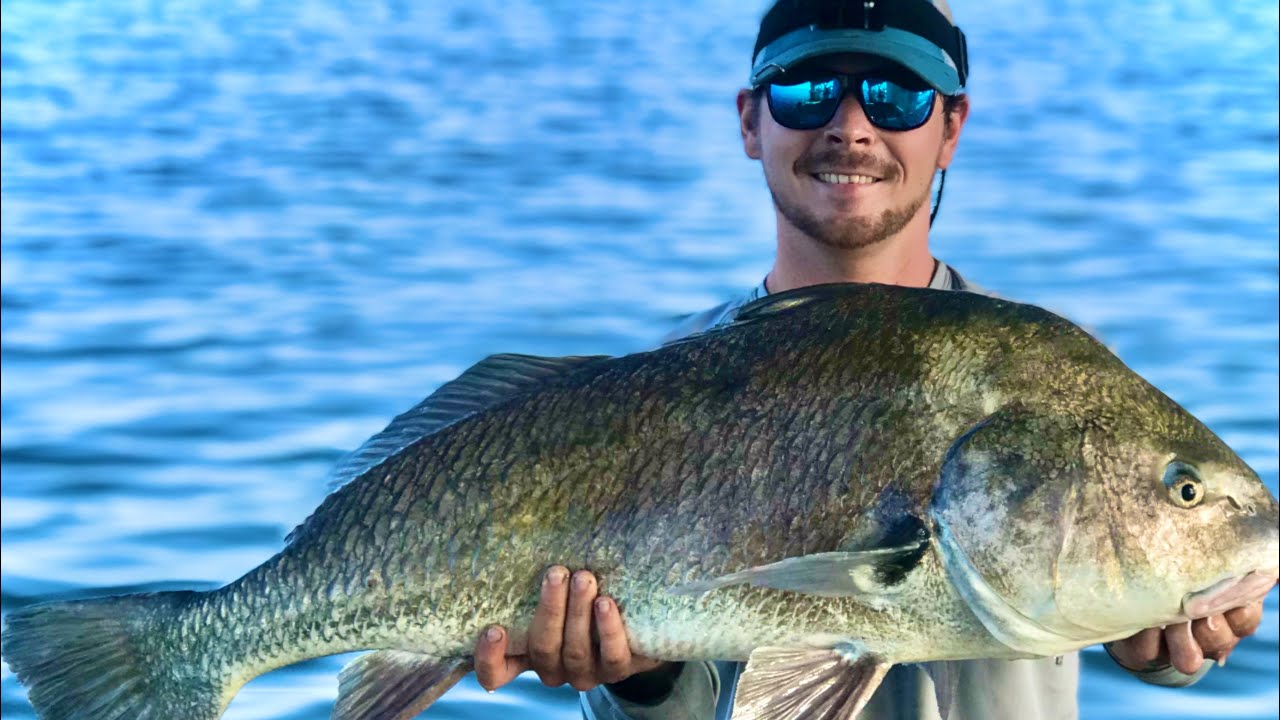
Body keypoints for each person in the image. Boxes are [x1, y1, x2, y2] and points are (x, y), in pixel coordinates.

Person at [466, 0, 1267, 717]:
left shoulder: (1053, 370)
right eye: (809, 89)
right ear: (750, 121)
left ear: (951, 126)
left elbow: (1087, 584)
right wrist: (635, 681)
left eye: (896, 95)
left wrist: (1160, 638)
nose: (851, 126)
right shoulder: (662, 377)